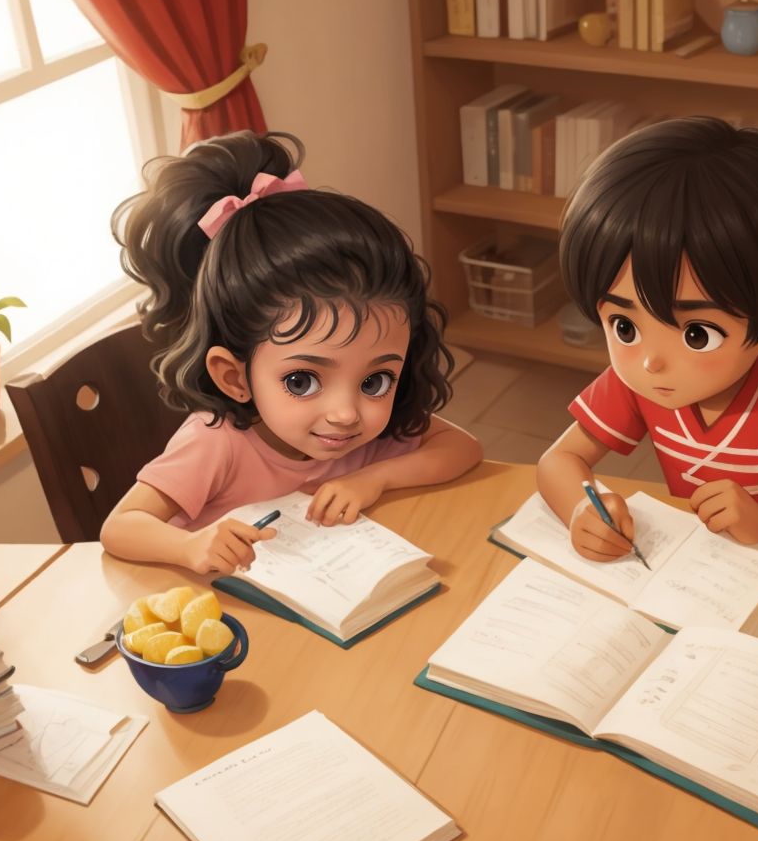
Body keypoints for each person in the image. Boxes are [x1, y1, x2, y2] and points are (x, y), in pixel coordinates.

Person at [100, 130, 482, 575]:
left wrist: (373, 477)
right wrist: (190, 546)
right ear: (234, 376)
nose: (345, 413)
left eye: (375, 381)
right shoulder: (216, 442)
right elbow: (121, 526)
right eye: (302, 381)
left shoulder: (369, 428)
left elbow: (462, 448)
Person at [537, 116, 758, 562]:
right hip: (698, 574)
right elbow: (557, 461)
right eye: (625, 327)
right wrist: (581, 510)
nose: (651, 362)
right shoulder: (638, 381)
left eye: (696, 334)